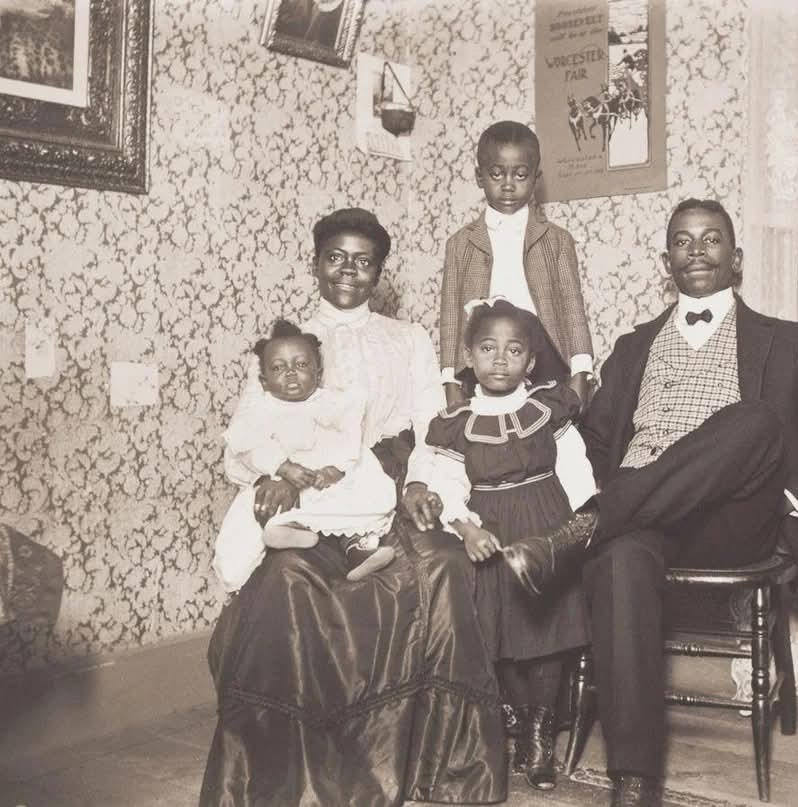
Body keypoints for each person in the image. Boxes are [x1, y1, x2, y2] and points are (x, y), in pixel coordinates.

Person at [501, 199, 798, 807]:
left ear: (735, 259)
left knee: (757, 422)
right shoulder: (632, 348)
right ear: (666, 261)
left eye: (711, 240)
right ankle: (634, 781)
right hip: (642, 521)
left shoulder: (785, 343)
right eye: (683, 241)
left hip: (730, 519)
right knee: (621, 557)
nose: (697, 251)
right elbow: (596, 443)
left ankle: (586, 529)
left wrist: (792, 499)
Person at [200, 208, 506, 807]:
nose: (349, 270)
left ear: (380, 271)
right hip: (308, 496)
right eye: (336, 257)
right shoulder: (287, 344)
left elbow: (432, 427)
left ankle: (435, 771)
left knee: (442, 562)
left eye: (364, 260)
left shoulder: (408, 338)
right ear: (315, 263)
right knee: (286, 578)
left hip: (388, 485)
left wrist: (420, 484)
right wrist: (277, 475)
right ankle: (295, 776)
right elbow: (246, 439)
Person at [425, 298, 595, 791]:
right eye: (488, 348)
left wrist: (581, 526)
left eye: (514, 349)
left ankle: (540, 735)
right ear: (470, 356)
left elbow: (577, 470)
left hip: (546, 524)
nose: (500, 359)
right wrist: (468, 529)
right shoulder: (456, 423)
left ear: (531, 360)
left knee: (547, 633)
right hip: (491, 531)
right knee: (502, 634)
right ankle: (515, 722)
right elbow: (448, 488)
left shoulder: (547, 407)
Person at [212, 319, 396, 592]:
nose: (290, 373)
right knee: (241, 529)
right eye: (278, 367)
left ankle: (359, 549)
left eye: (301, 365)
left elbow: (348, 439)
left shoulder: (332, 404)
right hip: (278, 485)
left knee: (366, 494)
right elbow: (247, 445)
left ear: (318, 372)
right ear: (263, 380)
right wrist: (283, 467)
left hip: (324, 484)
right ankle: (246, 570)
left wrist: (335, 468)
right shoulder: (260, 411)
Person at [440, 120, 594, 409]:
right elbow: (450, 316)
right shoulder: (459, 244)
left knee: (547, 440)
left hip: (544, 356)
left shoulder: (557, 240)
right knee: (487, 440)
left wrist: (581, 371)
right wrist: (450, 379)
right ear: (479, 176)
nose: (508, 185)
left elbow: (573, 308)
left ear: (537, 178)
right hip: (484, 359)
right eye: (496, 174)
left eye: (521, 175)